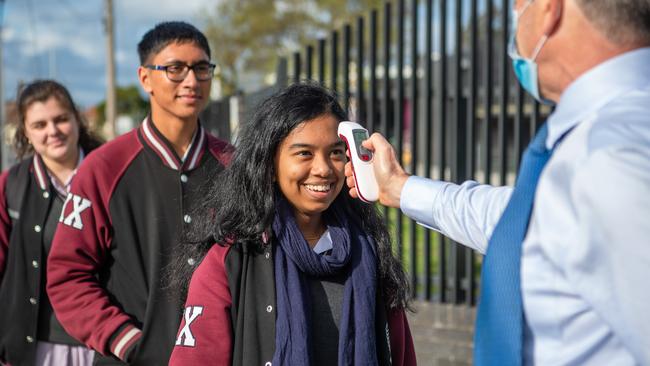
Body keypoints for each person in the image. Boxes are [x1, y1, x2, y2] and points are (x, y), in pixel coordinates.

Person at [345, 0, 650, 365]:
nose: (515, 15)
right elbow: (520, 222)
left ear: (550, 9)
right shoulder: (605, 136)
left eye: (519, 4)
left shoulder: (614, 154)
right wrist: (400, 186)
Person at [168, 83, 416, 366]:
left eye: (336, 153)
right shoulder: (230, 262)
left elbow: (402, 356)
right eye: (304, 154)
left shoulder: (370, 256)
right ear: (269, 165)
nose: (323, 169)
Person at [46, 22, 233, 365]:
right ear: (145, 77)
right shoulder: (103, 168)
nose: (191, 81)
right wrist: (128, 341)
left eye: (202, 68)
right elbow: (67, 277)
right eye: (175, 69)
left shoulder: (233, 166)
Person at [0, 80, 102, 366]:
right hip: (36, 349)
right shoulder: (12, 186)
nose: (52, 131)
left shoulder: (110, 174)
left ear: (77, 119)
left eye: (60, 119)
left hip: (102, 346)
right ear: (26, 133)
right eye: (40, 125)